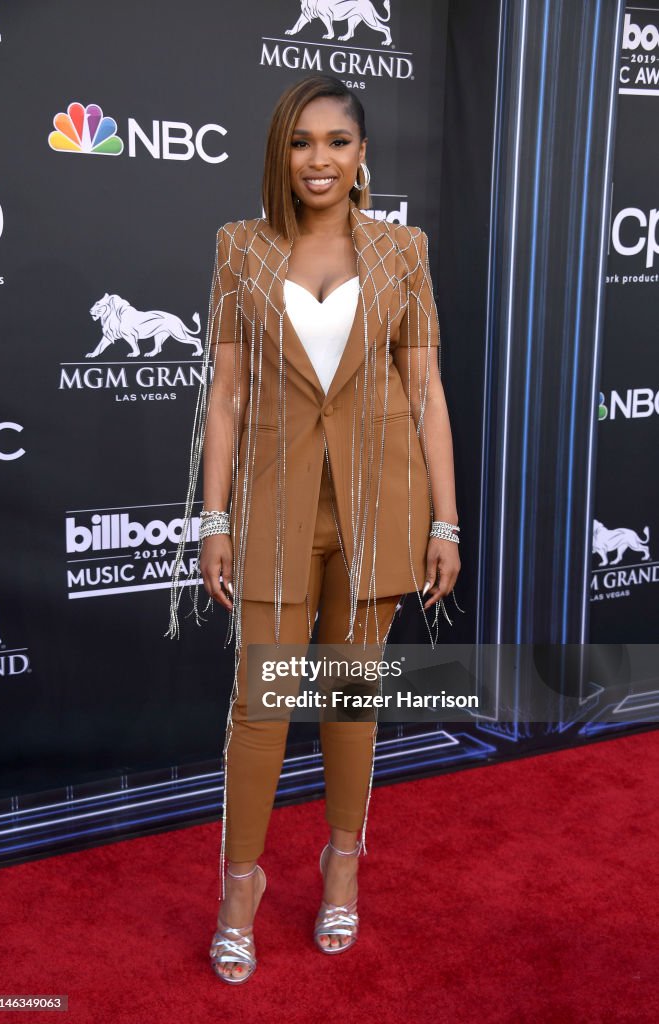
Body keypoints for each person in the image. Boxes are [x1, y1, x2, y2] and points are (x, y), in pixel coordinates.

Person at [165, 73, 462, 984]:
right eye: (301, 143)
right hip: (270, 505)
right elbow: (224, 396)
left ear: (362, 153)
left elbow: (424, 393)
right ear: (279, 154)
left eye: (336, 141)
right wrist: (211, 514)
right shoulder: (238, 249)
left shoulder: (403, 250)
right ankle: (240, 888)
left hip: (381, 508)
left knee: (349, 702)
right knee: (260, 707)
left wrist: (446, 523)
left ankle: (341, 869)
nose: (318, 160)